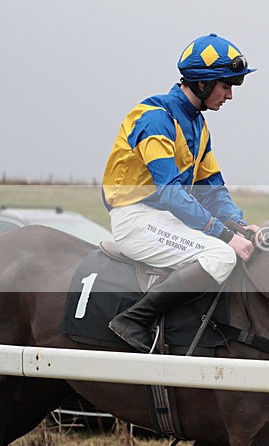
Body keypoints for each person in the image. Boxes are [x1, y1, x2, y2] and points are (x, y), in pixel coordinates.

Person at [101, 33, 260, 353]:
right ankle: (133, 319)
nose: (230, 95)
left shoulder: (198, 126)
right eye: (226, 86)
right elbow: (171, 194)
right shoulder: (156, 118)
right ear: (202, 83)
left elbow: (212, 187)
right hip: (136, 218)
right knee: (220, 254)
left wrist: (238, 224)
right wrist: (226, 236)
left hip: (165, 218)